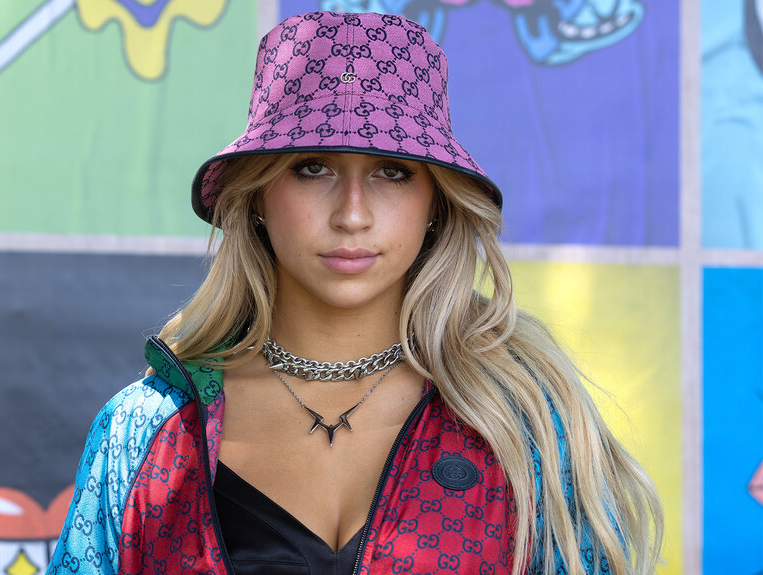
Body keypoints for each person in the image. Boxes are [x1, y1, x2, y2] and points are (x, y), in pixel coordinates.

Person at [48, 10, 663, 575]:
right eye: (312, 167)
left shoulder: (523, 422)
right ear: (257, 194)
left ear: (436, 204)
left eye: (393, 172)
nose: (352, 214)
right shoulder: (147, 429)